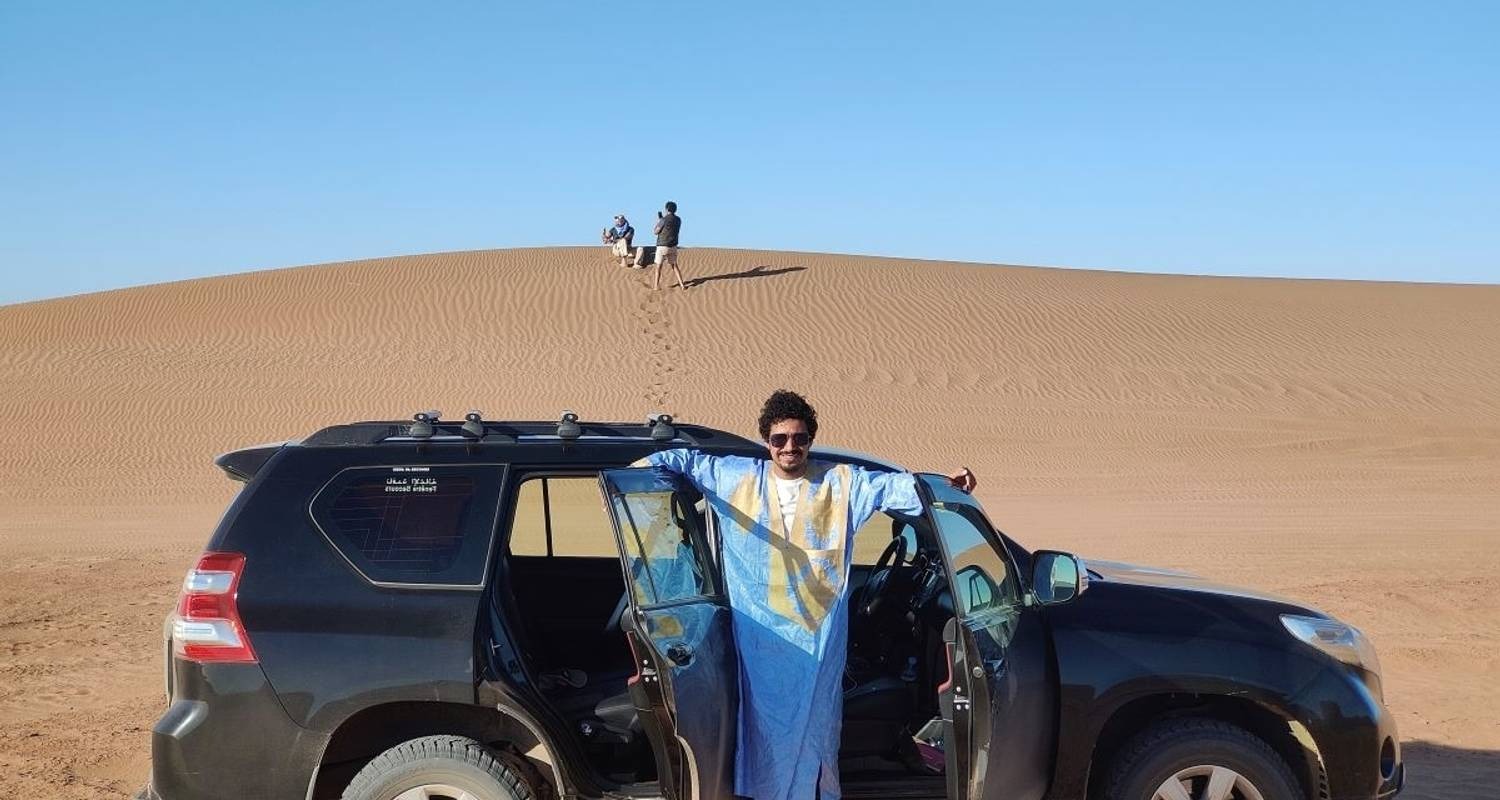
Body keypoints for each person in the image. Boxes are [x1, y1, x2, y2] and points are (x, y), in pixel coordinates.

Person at [636, 390, 976, 800]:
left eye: (799, 438)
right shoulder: (736, 477)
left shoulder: (839, 482)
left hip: (818, 635)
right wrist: (637, 475)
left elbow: (892, 488)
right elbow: (683, 460)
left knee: (817, 723)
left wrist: (943, 483)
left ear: (810, 439)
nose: (789, 447)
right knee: (766, 726)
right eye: (779, 439)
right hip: (760, 637)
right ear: (766, 441)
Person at [650, 200, 687, 290]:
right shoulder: (678, 220)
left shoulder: (663, 220)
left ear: (666, 209)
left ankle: (656, 286)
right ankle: (682, 285)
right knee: (674, 265)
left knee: (658, 266)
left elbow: (655, 231)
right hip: (673, 246)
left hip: (662, 246)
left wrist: (659, 221)